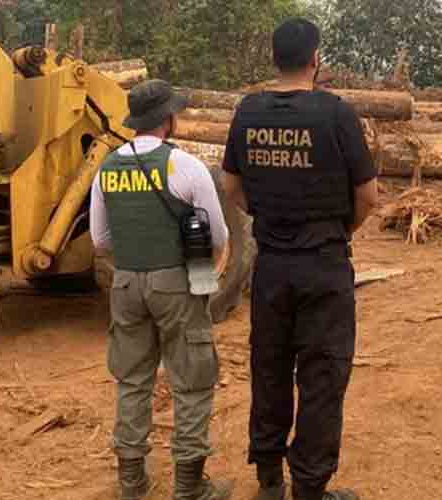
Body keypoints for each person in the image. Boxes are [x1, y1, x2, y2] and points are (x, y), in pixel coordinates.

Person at [221, 18, 379, 500]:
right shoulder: (336, 114)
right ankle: (309, 488)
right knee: (322, 375)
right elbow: (368, 196)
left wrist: (269, 216)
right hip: (324, 265)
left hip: (270, 265)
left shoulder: (247, 112)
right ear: (316, 59)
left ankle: (269, 479)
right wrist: (338, 231)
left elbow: (231, 188)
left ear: (275, 59)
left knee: (269, 367)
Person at [90, 79, 234, 500]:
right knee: (190, 379)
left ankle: (131, 484)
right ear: (169, 119)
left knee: (133, 380)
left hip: (127, 282)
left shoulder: (107, 167)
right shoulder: (184, 166)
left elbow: (100, 240)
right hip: (176, 284)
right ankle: (190, 487)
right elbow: (219, 233)